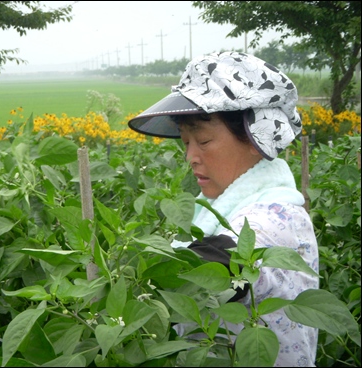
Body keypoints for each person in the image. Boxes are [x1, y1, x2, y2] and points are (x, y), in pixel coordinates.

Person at [128, 51, 319, 367]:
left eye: (202, 140)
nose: (190, 156)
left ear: (254, 137)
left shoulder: (274, 220)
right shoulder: (224, 207)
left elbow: (215, 264)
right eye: (186, 141)